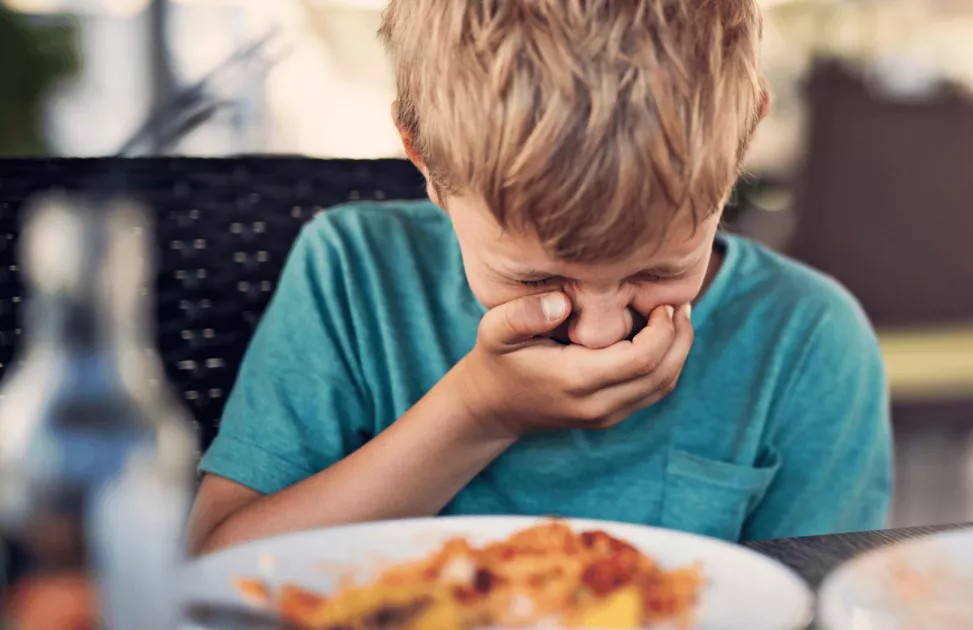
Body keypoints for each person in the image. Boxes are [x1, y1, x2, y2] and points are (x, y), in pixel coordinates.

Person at [187, 0, 892, 555]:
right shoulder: (352, 277)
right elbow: (218, 569)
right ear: (422, 155)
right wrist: (477, 412)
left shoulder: (807, 344)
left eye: (657, 270)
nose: (600, 332)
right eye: (534, 281)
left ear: (746, 134)